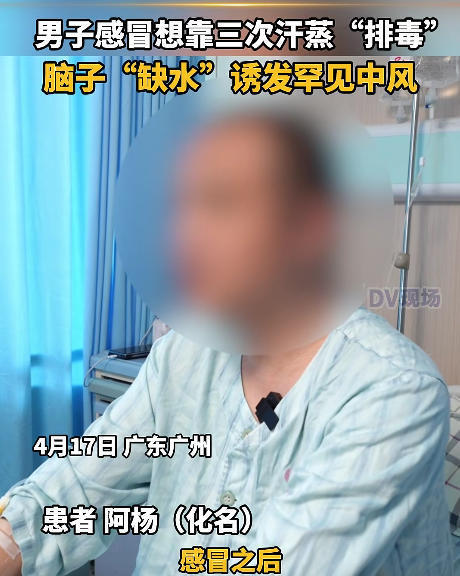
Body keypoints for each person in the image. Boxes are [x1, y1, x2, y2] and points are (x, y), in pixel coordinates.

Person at [0, 114, 453, 575]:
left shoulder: (393, 391)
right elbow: (77, 487)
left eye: (220, 204)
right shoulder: (183, 355)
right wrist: (9, 541)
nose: (183, 236)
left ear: (309, 226)